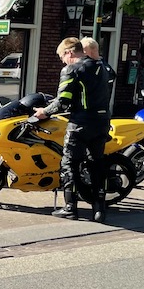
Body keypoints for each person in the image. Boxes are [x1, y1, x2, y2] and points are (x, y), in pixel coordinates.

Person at [33, 37, 112, 222]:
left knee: (70, 164)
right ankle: (99, 210)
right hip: (102, 122)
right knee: (96, 164)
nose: (62, 61)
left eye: (62, 56)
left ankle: (70, 208)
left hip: (80, 123)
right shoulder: (103, 68)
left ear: (69, 52)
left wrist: (44, 112)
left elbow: (63, 101)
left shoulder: (71, 69)